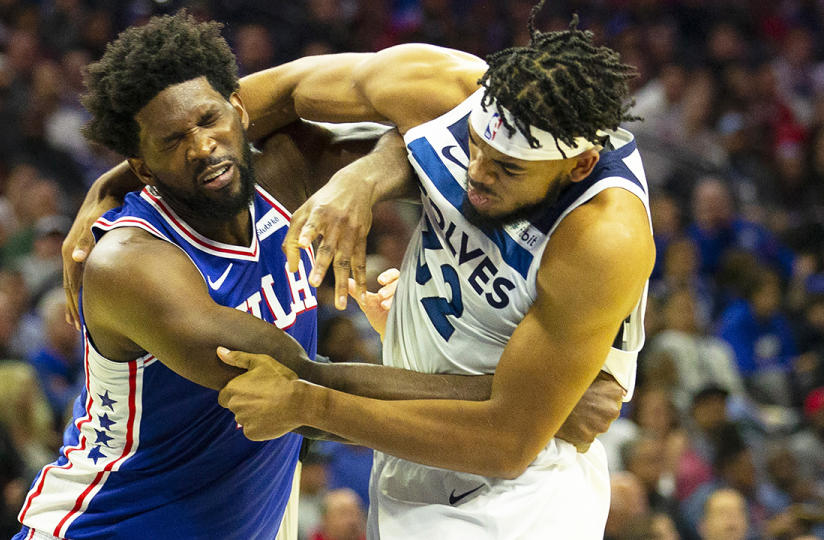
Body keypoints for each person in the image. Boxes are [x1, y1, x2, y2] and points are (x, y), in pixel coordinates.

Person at [43, 10, 624, 540]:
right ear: (141, 166)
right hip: (116, 521)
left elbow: (420, 146)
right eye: (173, 141)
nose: (201, 147)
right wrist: (540, 402)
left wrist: (365, 178)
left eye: (208, 120)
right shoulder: (130, 264)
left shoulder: (282, 172)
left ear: (239, 109)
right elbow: (303, 387)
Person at [213, 2, 654, 538]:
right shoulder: (444, 84)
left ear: (579, 166)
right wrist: (125, 184)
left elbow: (506, 441)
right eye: (474, 146)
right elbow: (274, 93)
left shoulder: (604, 237)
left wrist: (310, 399)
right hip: (407, 453)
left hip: (518, 495)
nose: (477, 174)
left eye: (508, 168)